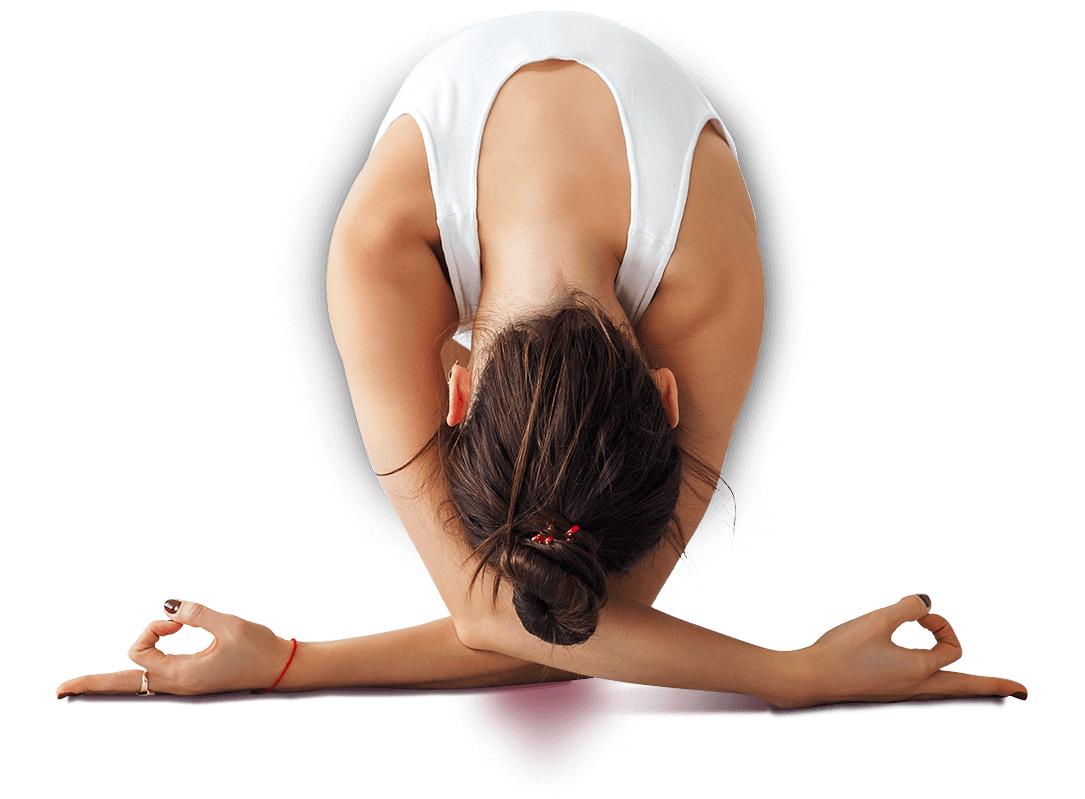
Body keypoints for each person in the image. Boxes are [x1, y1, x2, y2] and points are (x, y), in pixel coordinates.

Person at [56, 13, 1027, 706]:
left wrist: (289, 665)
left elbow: (548, 626)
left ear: (456, 388)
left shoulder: (706, 285)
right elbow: (539, 625)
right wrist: (788, 675)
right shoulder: (383, 250)